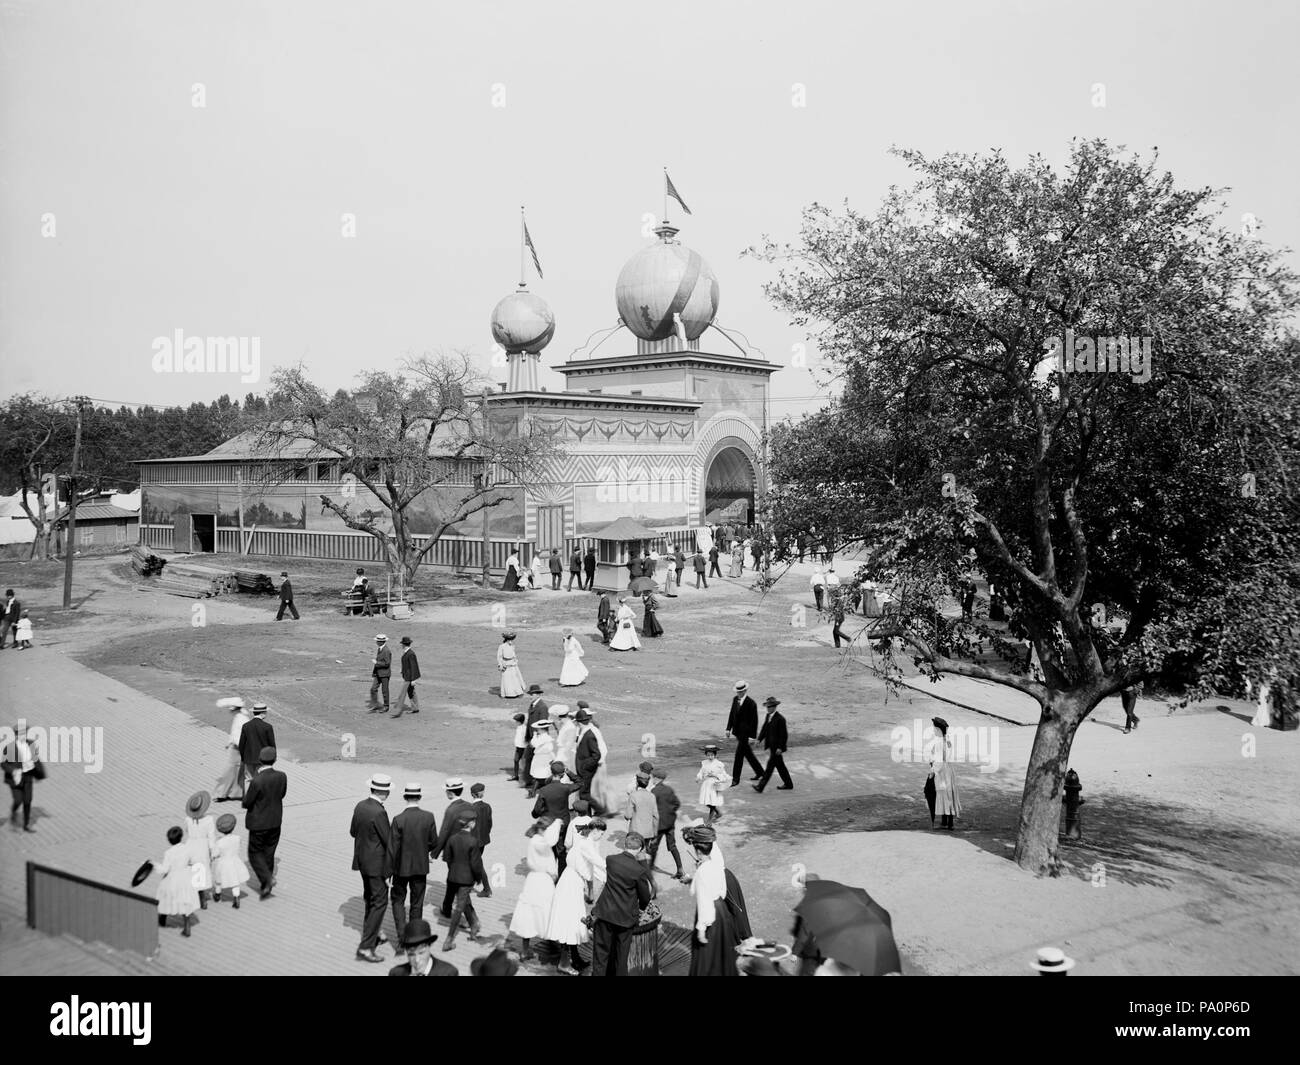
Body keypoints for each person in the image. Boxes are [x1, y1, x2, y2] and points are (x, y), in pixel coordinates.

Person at [589, 832, 655, 977]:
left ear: (625, 845)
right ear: (639, 849)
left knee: (600, 955)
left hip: (605, 913)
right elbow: (644, 897)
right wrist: (642, 908)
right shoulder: (639, 870)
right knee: (621, 957)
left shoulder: (611, 860)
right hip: (625, 919)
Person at [547, 816, 606, 973]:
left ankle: (576, 957)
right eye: (602, 833)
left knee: (572, 921)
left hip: (571, 882)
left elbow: (591, 869)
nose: (602, 836)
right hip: (571, 885)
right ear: (596, 830)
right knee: (570, 923)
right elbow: (598, 863)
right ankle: (564, 963)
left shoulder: (584, 842)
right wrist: (612, 869)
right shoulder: (587, 845)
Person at [686, 825, 745, 976]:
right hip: (722, 913)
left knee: (705, 959)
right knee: (723, 955)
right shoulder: (717, 866)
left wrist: (701, 929)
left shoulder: (702, 872)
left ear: (698, 851)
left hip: (709, 915)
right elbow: (722, 892)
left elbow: (704, 901)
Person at [351, 773, 392, 963]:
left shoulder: (360, 806)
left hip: (362, 861)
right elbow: (388, 840)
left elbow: (353, 831)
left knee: (370, 897)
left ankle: (374, 933)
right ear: (383, 791)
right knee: (380, 902)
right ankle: (366, 947)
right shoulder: (379, 812)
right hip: (377, 864)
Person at [509, 817, 562, 961]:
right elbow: (550, 842)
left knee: (532, 913)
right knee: (545, 910)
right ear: (542, 829)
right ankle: (550, 942)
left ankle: (529, 949)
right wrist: (557, 824)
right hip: (542, 880)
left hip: (535, 879)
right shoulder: (538, 841)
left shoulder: (536, 840)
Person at [389, 781, 437, 938]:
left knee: (398, 900)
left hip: (400, 868)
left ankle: (402, 935)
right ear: (420, 797)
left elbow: (392, 848)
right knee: (417, 902)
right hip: (420, 866)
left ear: (405, 797)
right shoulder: (428, 817)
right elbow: (433, 842)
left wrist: (387, 873)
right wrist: (423, 851)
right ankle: (415, 936)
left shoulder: (398, 819)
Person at [242, 745, 287, 899]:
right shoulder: (282, 776)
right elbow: (282, 794)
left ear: (260, 760)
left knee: (254, 853)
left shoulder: (257, 781)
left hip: (258, 823)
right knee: (269, 852)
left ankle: (267, 879)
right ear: (274, 760)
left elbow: (247, 802)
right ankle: (265, 885)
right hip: (275, 820)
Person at [441, 812, 486, 951]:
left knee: (464, 901)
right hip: (466, 879)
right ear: (471, 823)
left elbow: (446, 858)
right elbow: (476, 864)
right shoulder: (473, 841)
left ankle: (474, 926)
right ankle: (448, 940)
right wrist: (478, 878)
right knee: (459, 907)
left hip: (452, 877)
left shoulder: (452, 838)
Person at [153, 826, 199, 937]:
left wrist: (154, 865)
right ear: (181, 837)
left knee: (165, 896)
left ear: (169, 840)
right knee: (185, 900)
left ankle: (162, 918)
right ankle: (187, 926)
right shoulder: (187, 848)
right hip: (185, 877)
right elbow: (193, 861)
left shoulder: (168, 853)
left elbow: (164, 869)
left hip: (173, 878)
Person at [647, 771, 685, 880]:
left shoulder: (654, 791)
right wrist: (670, 811)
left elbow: (651, 808)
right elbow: (677, 803)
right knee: (672, 846)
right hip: (670, 823)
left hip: (659, 825)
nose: (652, 779)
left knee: (654, 846)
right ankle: (680, 869)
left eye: (653, 778)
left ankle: (650, 869)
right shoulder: (669, 789)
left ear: (658, 778)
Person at [725, 681, 764, 787]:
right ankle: (760, 772)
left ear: (745, 690)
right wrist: (728, 728)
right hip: (738, 732)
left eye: (741, 691)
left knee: (738, 756)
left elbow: (754, 721)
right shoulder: (735, 699)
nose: (739, 694)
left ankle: (735, 779)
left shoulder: (751, 703)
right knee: (748, 754)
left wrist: (752, 737)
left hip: (746, 735)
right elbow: (732, 714)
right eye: (738, 692)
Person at [182, 790, 216, 909]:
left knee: (193, 869)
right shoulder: (209, 820)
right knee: (202, 869)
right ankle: (202, 899)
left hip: (191, 845)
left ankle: (196, 894)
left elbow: (186, 832)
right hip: (202, 846)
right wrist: (212, 850)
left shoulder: (188, 820)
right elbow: (211, 836)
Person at [3, 723, 40, 832]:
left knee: (27, 801)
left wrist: (36, 770)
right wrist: (14, 771)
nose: (23, 736)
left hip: (28, 777)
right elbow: (4, 764)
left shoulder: (31, 744)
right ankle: (14, 812)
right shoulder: (10, 748)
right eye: (20, 734)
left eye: (25, 734)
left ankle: (26, 825)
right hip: (15, 778)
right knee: (18, 800)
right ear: (16, 735)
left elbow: (36, 760)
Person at [388, 918, 458, 976]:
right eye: (411, 954)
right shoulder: (395, 973)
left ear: (430, 946)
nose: (417, 960)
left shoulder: (449, 973)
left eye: (421, 953)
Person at [928, 716, 961, 830]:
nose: (933, 730)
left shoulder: (939, 743)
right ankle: (948, 821)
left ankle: (945, 821)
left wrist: (933, 771)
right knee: (949, 793)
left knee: (942, 793)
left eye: (934, 728)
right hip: (949, 769)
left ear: (938, 729)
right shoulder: (948, 741)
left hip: (942, 771)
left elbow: (938, 761)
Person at [753, 697, 793, 793]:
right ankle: (788, 784)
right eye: (767, 706)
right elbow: (764, 729)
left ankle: (760, 787)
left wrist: (780, 747)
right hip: (772, 747)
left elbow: (784, 735)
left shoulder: (780, 719)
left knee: (769, 768)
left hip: (777, 749)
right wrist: (759, 739)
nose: (768, 708)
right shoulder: (768, 716)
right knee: (780, 766)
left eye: (770, 707)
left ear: (775, 707)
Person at [214, 699, 250, 802]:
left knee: (229, 771)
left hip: (238, 749)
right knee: (238, 771)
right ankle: (236, 793)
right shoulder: (240, 717)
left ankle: (222, 793)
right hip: (237, 748)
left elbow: (240, 736)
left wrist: (233, 744)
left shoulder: (241, 719)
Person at [211, 813, 249, 907]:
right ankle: (236, 897)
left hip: (223, 862)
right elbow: (238, 848)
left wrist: (213, 857)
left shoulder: (219, 842)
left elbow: (215, 853)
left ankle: (217, 894)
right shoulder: (237, 838)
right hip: (234, 860)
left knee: (218, 880)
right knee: (235, 880)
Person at [238, 703, 275, 793]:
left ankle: (249, 798)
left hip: (249, 758)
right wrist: (272, 759)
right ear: (263, 713)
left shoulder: (246, 726)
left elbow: (241, 744)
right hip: (263, 759)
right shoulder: (267, 727)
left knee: (249, 780)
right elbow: (272, 745)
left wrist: (243, 758)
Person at [574, 706, 601, 809]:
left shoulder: (589, 735)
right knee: (584, 793)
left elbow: (596, 755)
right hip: (583, 768)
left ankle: (599, 809)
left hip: (586, 769)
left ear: (579, 722)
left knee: (584, 794)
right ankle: (589, 812)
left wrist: (585, 765)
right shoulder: (584, 732)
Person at [624, 769, 659, 841]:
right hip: (648, 832)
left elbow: (628, 815)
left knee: (635, 850)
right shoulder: (652, 796)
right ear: (647, 783)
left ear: (637, 782)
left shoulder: (633, 795)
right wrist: (655, 832)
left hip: (635, 831)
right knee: (645, 850)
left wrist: (628, 817)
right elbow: (656, 816)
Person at [391, 635, 421, 717]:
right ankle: (415, 708)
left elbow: (413, 666)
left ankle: (398, 710)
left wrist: (413, 679)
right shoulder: (408, 652)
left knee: (404, 692)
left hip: (409, 677)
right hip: (407, 676)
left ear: (404, 644)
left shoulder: (410, 653)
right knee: (411, 691)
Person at [696, 744, 727, 823]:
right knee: (707, 802)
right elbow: (701, 772)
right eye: (708, 755)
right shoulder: (704, 763)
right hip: (706, 784)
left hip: (714, 784)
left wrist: (715, 775)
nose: (710, 757)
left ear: (715, 755)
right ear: (706, 755)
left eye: (712, 755)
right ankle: (718, 812)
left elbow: (724, 776)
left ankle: (709, 820)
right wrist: (698, 777)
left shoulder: (719, 764)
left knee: (712, 802)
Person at [470, 783, 493, 886]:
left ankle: (486, 888)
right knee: (474, 862)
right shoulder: (487, 806)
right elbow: (489, 824)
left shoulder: (470, 808)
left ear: (472, 794)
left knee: (476, 863)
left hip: (473, 841)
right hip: (483, 840)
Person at [527, 721, 557, 797]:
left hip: (543, 758)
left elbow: (533, 744)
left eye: (538, 729)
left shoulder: (544, 737)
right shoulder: (542, 736)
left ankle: (535, 792)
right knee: (541, 775)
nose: (537, 730)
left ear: (542, 729)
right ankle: (536, 791)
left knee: (542, 775)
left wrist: (534, 736)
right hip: (541, 757)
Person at [368, 634, 393, 713]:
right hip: (378, 673)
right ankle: (375, 704)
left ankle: (386, 706)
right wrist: (374, 672)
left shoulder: (386, 651)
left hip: (384, 674)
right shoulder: (380, 649)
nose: (376, 642)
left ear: (381, 642)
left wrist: (377, 663)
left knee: (384, 690)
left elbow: (387, 664)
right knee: (373, 689)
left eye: (377, 641)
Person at [497, 632, 526, 698]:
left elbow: (514, 655)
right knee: (506, 679)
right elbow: (499, 657)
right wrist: (500, 664)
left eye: (511, 639)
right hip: (506, 665)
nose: (511, 641)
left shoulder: (513, 646)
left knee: (515, 678)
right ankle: (507, 694)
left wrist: (515, 662)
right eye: (509, 639)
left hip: (512, 665)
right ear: (506, 640)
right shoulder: (502, 646)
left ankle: (518, 692)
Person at [554, 706, 579, 773]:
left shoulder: (570, 727)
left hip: (565, 756)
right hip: (562, 753)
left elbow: (568, 746)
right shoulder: (565, 725)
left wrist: (562, 759)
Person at [508, 712, 527, 782]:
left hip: (523, 748)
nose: (515, 722)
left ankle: (525, 777)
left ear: (519, 721)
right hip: (518, 747)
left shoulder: (524, 728)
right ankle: (516, 775)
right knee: (516, 760)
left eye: (516, 721)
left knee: (523, 763)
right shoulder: (519, 727)